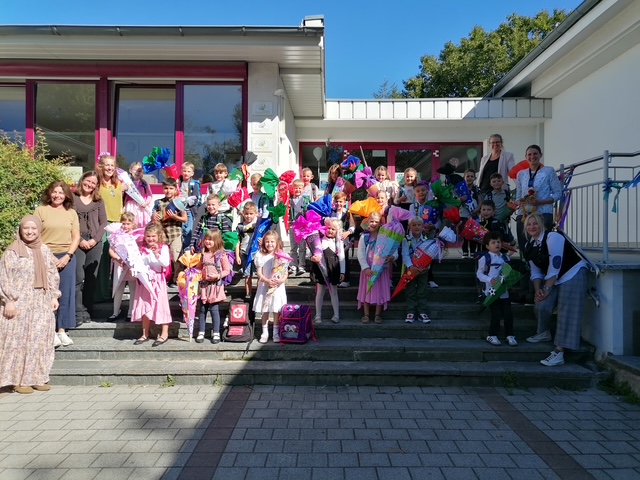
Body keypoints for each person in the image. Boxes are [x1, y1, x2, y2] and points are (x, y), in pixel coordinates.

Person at [0, 216, 60, 394]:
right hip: (20, 302)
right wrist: (9, 300)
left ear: (39, 230)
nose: (30, 232)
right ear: (21, 230)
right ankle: (18, 380)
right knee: (19, 341)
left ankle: (37, 377)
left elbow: (52, 273)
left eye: (33, 228)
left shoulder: (44, 249)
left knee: (39, 340)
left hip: (41, 301)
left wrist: (54, 296)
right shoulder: (13, 251)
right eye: (26, 228)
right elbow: (4, 277)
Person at [523, 214, 588, 366]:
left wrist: (546, 288)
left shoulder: (553, 237)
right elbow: (536, 272)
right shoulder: (529, 246)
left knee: (567, 311)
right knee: (542, 304)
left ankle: (559, 352)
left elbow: (555, 265)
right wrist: (538, 290)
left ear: (542, 225)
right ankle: (543, 332)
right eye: (529, 224)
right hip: (555, 279)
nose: (532, 227)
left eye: (535, 223)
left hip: (572, 274)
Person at [35, 181, 80, 347]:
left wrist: (68, 256)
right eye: (54, 192)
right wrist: (49, 256)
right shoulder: (41, 210)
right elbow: (35, 235)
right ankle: (50, 331)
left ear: (66, 195)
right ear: (49, 193)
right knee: (47, 293)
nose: (57, 195)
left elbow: (76, 237)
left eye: (61, 193)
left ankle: (62, 330)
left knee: (66, 293)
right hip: (45, 256)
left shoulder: (71, 213)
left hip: (67, 257)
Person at [73, 170, 107, 325]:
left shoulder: (99, 201)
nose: (90, 185)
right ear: (82, 180)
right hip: (77, 241)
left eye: (93, 183)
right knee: (78, 277)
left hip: (94, 242)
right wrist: (79, 240)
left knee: (91, 278)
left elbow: (103, 223)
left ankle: (87, 310)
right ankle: (77, 311)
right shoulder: (72, 198)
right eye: (88, 181)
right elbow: (69, 221)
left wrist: (95, 240)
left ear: (97, 186)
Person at [515, 145, 563, 253]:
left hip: (543, 213)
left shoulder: (548, 171)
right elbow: (518, 197)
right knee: (524, 245)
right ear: (526, 157)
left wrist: (541, 202)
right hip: (525, 215)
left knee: (543, 246)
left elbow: (558, 193)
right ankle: (526, 262)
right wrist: (521, 203)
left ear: (540, 155)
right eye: (529, 154)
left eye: (535, 154)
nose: (532, 156)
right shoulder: (521, 174)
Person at [131, 223, 172, 347]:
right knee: (145, 305)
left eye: (153, 236)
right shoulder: (141, 249)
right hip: (145, 280)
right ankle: (145, 333)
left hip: (157, 280)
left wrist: (156, 253)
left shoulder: (163, 247)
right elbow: (138, 263)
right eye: (148, 236)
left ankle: (164, 333)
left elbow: (165, 263)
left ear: (159, 236)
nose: (151, 239)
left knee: (161, 305)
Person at [95, 153, 127, 302]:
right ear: (101, 166)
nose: (109, 168)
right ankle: (101, 293)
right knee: (103, 258)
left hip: (118, 225)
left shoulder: (118, 184)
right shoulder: (97, 183)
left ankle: (113, 290)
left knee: (116, 258)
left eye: (112, 165)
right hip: (104, 224)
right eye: (107, 165)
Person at [477, 231, 517, 346]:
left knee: (508, 314)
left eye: (498, 242)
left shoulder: (505, 258)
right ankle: (492, 334)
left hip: (504, 291)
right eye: (493, 242)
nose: (497, 244)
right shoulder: (485, 259)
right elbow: (479, 274)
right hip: (492, 292)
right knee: (496, 314)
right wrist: (489, 279)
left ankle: (510, 335)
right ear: (487, 246)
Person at [357, 211, 397, 324]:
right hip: (368, 269)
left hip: (381, 269)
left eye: (376, 222)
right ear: (368, 222)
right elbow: (360, 253)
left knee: (380, 290)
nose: (374, 224)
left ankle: (378, 314)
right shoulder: (364, 237)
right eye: (372, 221)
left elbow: (393, 249)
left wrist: (393, 257)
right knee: (366, 290)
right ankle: (366, 314)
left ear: (380, 223)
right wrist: (365, 267)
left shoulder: (385, 236)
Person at [253, 230, 288, 344]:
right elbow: (259, 273)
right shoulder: (260, 255)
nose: (269, 244)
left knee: (276, 309)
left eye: (272, 241)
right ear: (263, 242)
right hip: (265, 285)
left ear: (277, 242)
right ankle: (265, 332)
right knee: (265, 309)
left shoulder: (282, 255)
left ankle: (276, 332)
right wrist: (267, 280)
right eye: (267, 241)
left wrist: (281, 280)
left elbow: (285, 273)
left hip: (277, 287)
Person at [197, 230, 231, 344]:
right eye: (206, 239)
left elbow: (227, 270)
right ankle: (201, 332)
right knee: (202, 310)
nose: (207, 241)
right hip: (203, 286)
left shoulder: (221, 254)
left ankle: (216, 332)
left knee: (214, 310)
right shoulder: (202, 254)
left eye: (210, 240)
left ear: (217, 241)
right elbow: (198, 268)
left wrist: (218, 275)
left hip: (215, 287)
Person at [152, 177, 187, 284]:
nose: (168, 191)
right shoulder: (158, 202)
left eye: (171, 188)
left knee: (177, 258)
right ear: (163, 189)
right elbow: (153, 217)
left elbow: (185, 219)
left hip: (175, 234)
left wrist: (175, 217)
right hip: (162, 234)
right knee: (162, 257)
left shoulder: (179, 202)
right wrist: (154, 216)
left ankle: (177, 279)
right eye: (166, 188)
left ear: (175, 189)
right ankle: (164, 278)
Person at [311, 218, 345, 324]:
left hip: (333, 269)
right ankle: (318, 315)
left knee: (333, 292)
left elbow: (341, 257)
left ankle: (336, 315)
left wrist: (342, 272)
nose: (330, 230)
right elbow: (311, 253)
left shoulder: (338, 242)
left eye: (333, 229)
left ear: (337, 231)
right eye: (328, 228)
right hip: (321, 268)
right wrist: (313, 258)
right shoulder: (320, 239)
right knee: (320, 292)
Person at [401, 217, 432, 324]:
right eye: (413, 225)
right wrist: (411, 267)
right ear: (409, 227)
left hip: (423, 270)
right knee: (410, 290)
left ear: (423, 227)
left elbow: (429, 254)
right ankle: (410, 311)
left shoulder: (426, 240)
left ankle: (422, 312)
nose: (416, 227)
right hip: (410, 270)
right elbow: (405, 255)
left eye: (419, 225)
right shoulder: (406, 240)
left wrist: (426, 266)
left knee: (422, 290)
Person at [108, 212, 138, 321]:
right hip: (119, 264)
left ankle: (130, 312)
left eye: (128, 224)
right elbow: (111, 250)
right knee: (118, 288)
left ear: (133, 224)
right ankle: (115, 311)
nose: (125, 226)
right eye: (123, 223)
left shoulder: (135, 236)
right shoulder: (116, 235)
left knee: (133, 288)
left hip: (131, 265)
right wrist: (117, 258)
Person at [331, 192, 356, 288]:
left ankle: (346, 279)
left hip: (344, 240)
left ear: (345, 202)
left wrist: (348, 232)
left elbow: (353, 226)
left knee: (344, 258)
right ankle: (336, 278)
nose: (338, 204)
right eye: (337, 201)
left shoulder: (348, 213)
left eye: (341, 202)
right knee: (334, 259)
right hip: (333, 240)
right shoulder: (331, 212)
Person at [235, 201, 258, 300]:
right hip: (245, 253)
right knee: (247, 274)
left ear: (256, 213)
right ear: (243, 213)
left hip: (256, 253)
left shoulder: (258, 225)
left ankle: (259, 292)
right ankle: (248, 293)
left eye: (251, 214)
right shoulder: (240, 226)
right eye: (246, 214)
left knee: (259, 273)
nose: (248, 216)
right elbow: (237, 241)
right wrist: (237, 255)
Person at [179, 162, 201, 251]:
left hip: (189, 210)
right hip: (179, 209)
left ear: (192, 173)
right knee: (181, 229)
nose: (186, 173)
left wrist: (186, 201)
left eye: (188, 171)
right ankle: (182, 248)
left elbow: (196, 197)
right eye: (184, 171)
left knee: (188, 230)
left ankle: (187, 249)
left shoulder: (194, 184)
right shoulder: (179, 182)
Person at [288, 179, 309, 276]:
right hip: (292, 225)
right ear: (292, 189)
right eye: (296, 188)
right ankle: (293, 265)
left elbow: (308, 212)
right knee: (293, 247)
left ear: (303, 189)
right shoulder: (289, 200)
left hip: (302, 226)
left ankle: (301, 265)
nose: (298, 190)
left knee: (302, 247)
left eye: (300, 188)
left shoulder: (305, 200)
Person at [458, 169, 480, 258]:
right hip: (463, 215)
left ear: (475, 178)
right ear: (464, 177)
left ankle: (473, 251)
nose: (469, 178)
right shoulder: (461, 189)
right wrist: (460, 199)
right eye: (468, 176)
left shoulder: (476, 189)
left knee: (473, 234)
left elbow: (480, 200)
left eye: (472, 176)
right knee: (464, 234)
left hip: (474, 215)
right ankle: (465, 251)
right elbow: (455, 201)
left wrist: (477, 209)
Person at [123, 161, 152, 228]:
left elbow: (149, 195)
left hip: (142, 206)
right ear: (130, 170)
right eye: (135, 170)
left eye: (139, 171)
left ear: (142, 172)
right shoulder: (127, 182)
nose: (137, 172)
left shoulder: (144, 184)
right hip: (131, 206)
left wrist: (146, 203)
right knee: (131, 222)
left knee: (142, 223)